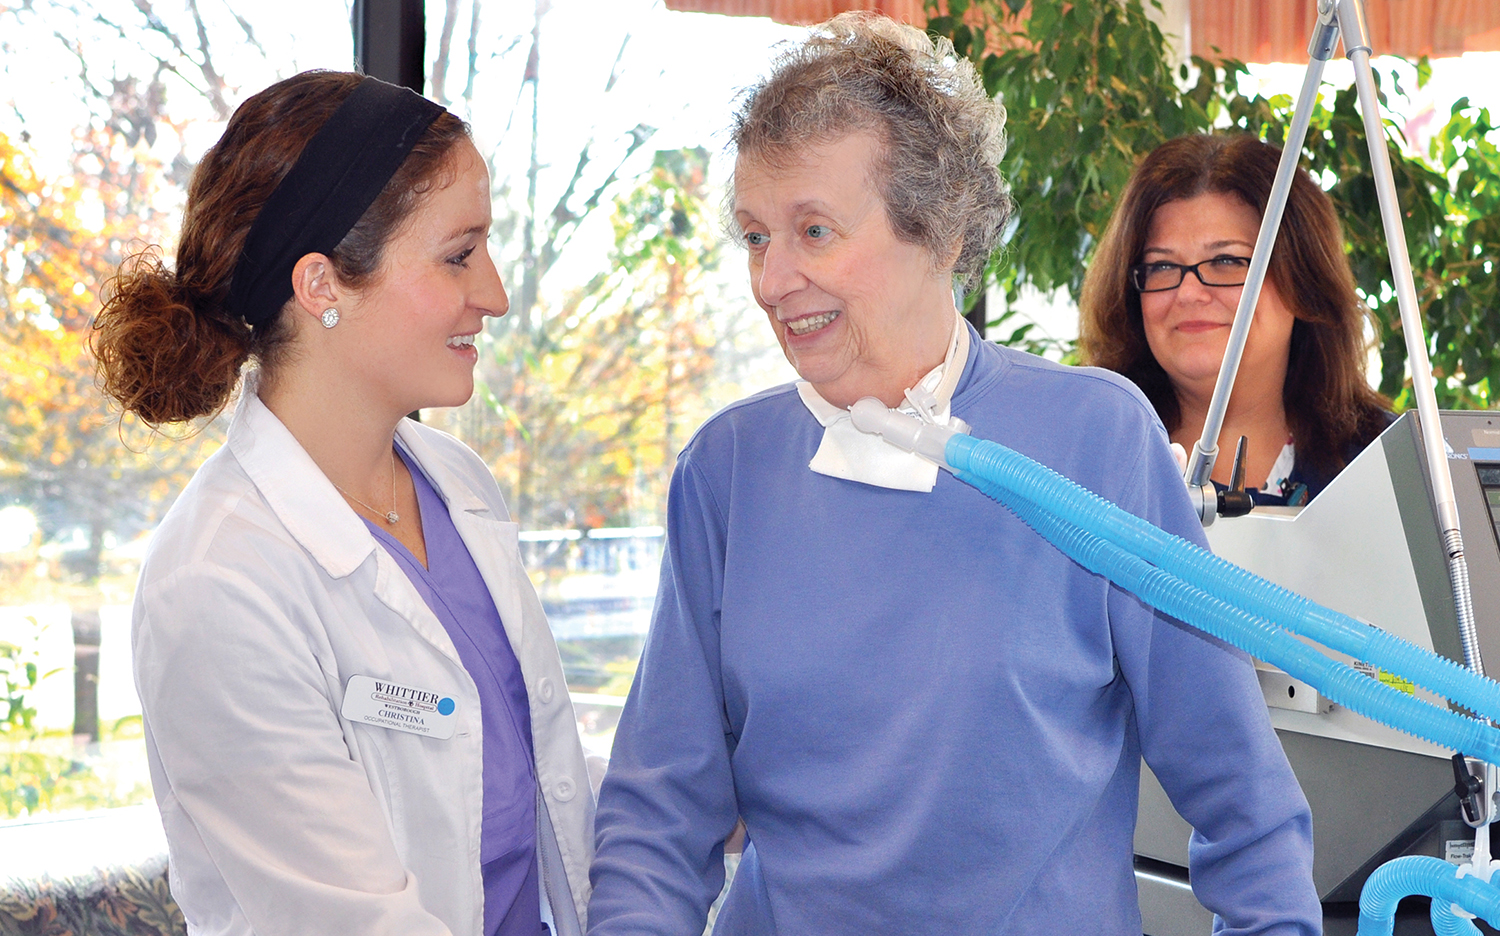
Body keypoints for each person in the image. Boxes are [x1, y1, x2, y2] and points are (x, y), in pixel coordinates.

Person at [586, 14, 1318, 936]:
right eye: (755, 237)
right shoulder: (728, 470)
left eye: (814, 231)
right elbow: (659, 815)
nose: (772, 281)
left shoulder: (1094, 439)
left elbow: (1237, 787)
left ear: (935, 231)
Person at [91, 72, 592, 936]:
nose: (496, 294)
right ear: (321, 284)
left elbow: (539, 783)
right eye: (459, 254)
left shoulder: (455, 483)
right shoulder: (217, 583)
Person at [1080, 133, 1393, 506]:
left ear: (1303, 279)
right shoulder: (1083, 459)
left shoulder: (1391, 464)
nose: (1189, 293)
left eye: (1227, 261)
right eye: (1162, 266)